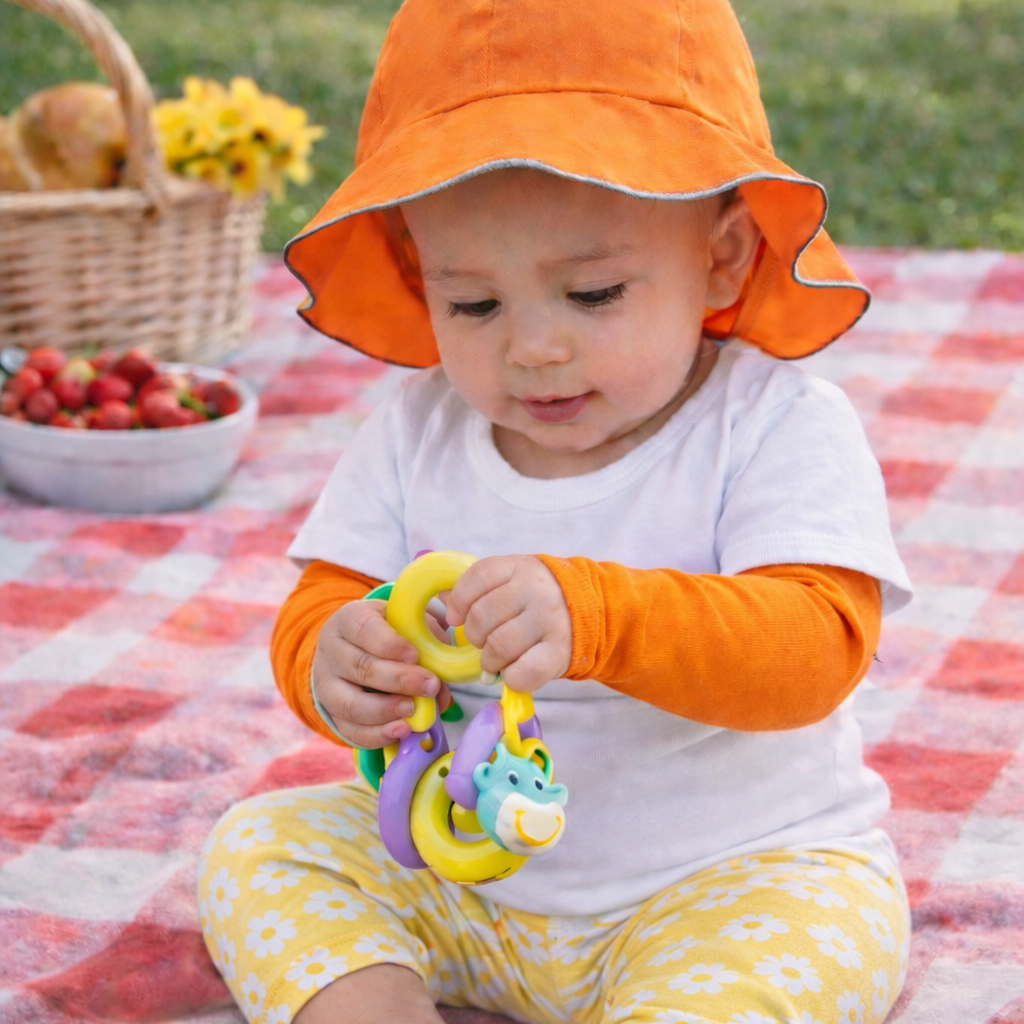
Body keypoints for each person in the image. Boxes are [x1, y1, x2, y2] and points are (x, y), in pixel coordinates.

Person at [198, 1, 914, 1021]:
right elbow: (324, 603)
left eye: (592, 294)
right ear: (417, 272)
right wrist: (338, 663)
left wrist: (597, 618)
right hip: (465, 875)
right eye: (475, 305)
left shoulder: (774, 422)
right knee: (261, 846)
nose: (532, 348)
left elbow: (814, 651)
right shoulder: (418, 428)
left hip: (729, 883)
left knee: (795, 948)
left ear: (721, 255)